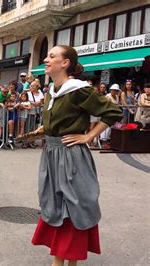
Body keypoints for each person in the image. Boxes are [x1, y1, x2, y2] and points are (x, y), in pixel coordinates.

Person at [31, 45, 123, 266]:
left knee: (73, 206)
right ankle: (61, 260)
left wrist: (88, 136)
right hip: (52, 154)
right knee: (54, 204)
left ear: (65, 63)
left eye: (51, 56)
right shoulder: (52, 91)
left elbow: (113, 112)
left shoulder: (78, 89)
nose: (45, 59)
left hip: (71, 155)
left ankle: (65, 263)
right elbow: (63, 119)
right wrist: (45, 129)